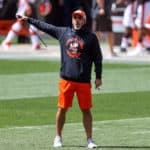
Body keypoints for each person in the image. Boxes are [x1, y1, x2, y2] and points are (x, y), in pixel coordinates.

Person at [17, 9, 103, 148]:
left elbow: (98, 58)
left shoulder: (91, 37)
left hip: (83, 81)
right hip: (66, 79)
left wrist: (98, 76)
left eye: (80, 18)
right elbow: (46, 26)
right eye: (75, 17)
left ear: (84, 20)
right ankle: (58, 137)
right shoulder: (63, 32)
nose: (77, 20)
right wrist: (29, 19)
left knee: (86, 110)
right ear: (72, 19)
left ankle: (89, 139)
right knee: (62, 109)